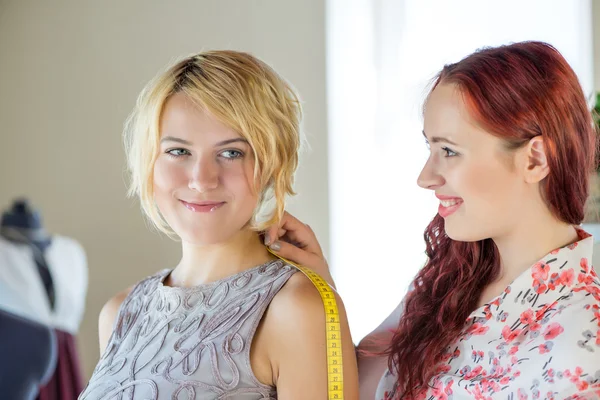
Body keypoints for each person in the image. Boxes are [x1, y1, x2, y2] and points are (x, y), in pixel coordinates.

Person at [264, 41, 600, 399]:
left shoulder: (583, 344)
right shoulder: (451, 279)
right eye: (431, 149)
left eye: (449, 151)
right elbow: (354, 390)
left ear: (535, 160)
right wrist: (323, 289)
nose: (425, 177)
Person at [79, 50, 358, 399]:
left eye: (231, 153)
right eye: (179, 151)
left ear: (272, 163)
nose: (202, 179)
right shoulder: (121, 313)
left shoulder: (297, 309)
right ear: (149, 160)